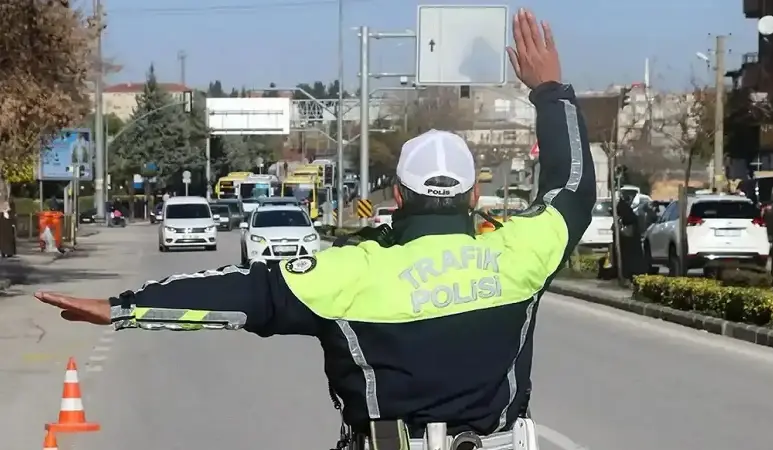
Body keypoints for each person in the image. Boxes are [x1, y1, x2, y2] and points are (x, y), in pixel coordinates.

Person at [34, 8, 595, 449]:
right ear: (475, 196)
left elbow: (241, 292)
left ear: (397, 195)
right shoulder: (521, 252)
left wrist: (124, 306)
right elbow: (571, 188)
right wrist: (550, 91)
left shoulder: (348, 272)